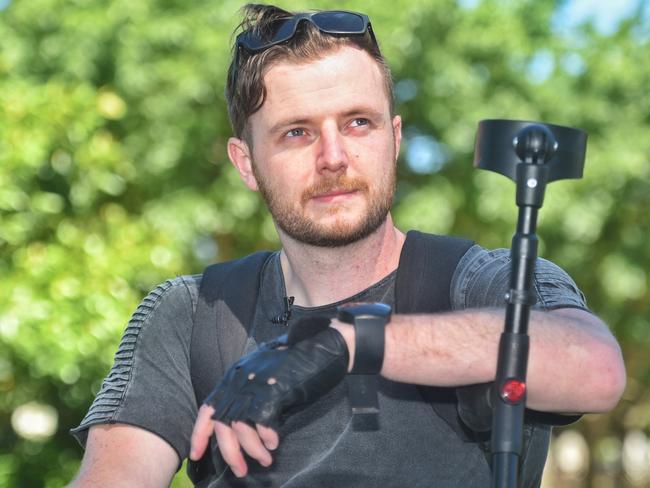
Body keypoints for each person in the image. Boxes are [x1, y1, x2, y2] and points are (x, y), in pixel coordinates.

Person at [69, 4, 626, 487]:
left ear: (395, 138)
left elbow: (595, 370)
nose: (333, 156)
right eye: (297, 132)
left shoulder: (480, 281)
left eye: (358, 123)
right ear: (247, 164)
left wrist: (347, 342)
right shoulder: (193, 315)